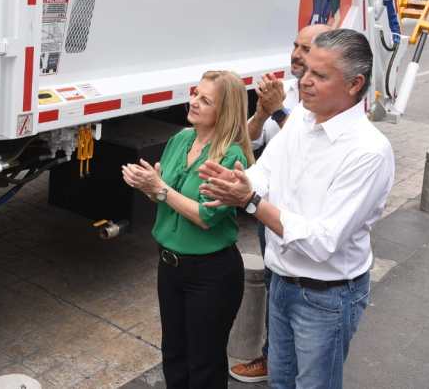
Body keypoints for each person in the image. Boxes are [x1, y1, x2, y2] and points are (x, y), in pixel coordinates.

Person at [200, 29, 394, 389]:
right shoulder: (301, 122)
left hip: (327, 296)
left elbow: (322, 242)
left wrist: (251, 202)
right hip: (283, 282)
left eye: (320, 76)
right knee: (281, 381)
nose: (304, 82)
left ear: (355, 84)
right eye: (306, 70)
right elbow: (264, 172)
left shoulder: (368, 151)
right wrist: (239, 182)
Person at [121, 70, 254, 389]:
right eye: (195, 93)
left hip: (211, 274)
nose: (193, 101)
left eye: (205, 100)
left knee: (204, 364)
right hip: (170, 266)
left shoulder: (230, 156)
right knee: (174, 356)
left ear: (224, 112)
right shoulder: (181, 139)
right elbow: (162, 196)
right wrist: (147, 187)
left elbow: (205, 216)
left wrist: (161, 189)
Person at [230, 23, 331, 384]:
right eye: (294, 45)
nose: (295, 54)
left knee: (303, 297)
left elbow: (309, 149)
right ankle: (274, 358)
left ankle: (295, 363)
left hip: (301, 221)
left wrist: (277, 111)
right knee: (275, 286)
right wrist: (260, 113)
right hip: (266, 210)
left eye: (305, 49)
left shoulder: (331, 102)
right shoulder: (285, 91)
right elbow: (249, 142)